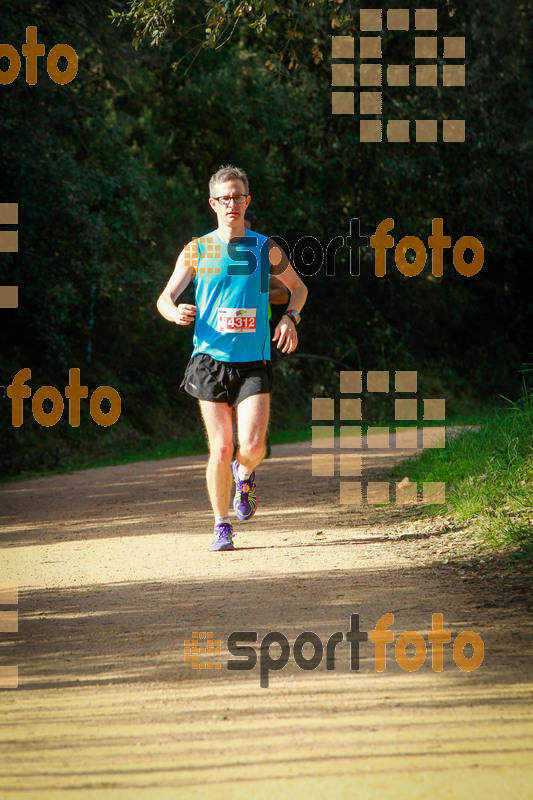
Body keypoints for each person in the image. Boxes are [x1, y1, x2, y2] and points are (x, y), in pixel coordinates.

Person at [157, 165, 308, 551]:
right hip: (209, 359)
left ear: (247, 201)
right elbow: (164, 297)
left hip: (253, 360)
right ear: (213, 203)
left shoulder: (264, 248)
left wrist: (290, 318)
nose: (231, 204)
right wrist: (173, 311)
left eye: (238, 197)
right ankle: (221, 524)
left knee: (253, 447)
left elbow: (298, 289)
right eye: (224, 198)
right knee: (221, 448)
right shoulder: (197, 250)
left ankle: (246, 472)